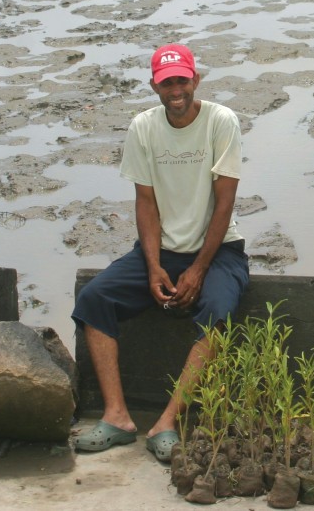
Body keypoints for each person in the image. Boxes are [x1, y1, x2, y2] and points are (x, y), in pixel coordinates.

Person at [71, 43, 249, 459]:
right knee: (94, 299)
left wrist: (199, 269)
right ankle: (117, 416)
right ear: (154, 85)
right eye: (167, 82)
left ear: (195, 80)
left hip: (218, 249)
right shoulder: (143, 127)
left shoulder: (221, 121)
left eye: (182, 80)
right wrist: (153, 267)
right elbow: (145, 202)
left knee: (218, 315)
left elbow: (224, 203)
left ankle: (166, 421)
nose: (176, 90)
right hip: (161, 249)